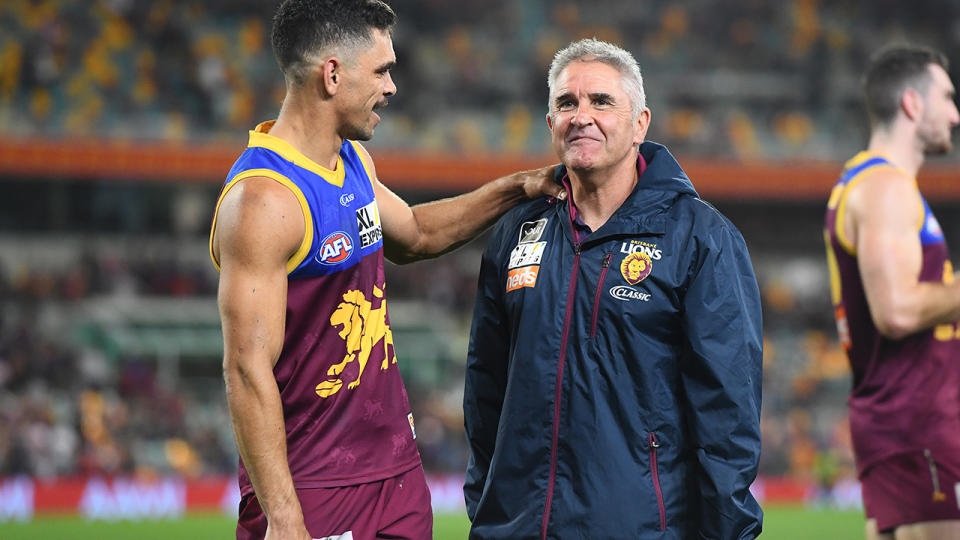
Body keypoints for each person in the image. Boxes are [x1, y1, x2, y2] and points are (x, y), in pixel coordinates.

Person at [208, 1, 563, 539]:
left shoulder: (350, 161)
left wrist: (516, 188)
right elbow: (246, 370)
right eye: (381, 70)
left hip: (394, 473)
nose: (393, 86)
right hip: (313, 486)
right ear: (332, 75)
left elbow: (417, 234)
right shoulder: (263, 201)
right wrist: (283, 517)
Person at [463, 38, 763, 539]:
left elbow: (727, 413)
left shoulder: (701, 238)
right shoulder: (516, 232)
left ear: (640, 123)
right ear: (551, 123)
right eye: (567, 103)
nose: (582, 116)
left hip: (638, 527)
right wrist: (488, 506)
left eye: (601, 101)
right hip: (517, 526)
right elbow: (485, 387)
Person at [824, 45, 960, 540]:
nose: (955, 113)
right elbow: (897, 310)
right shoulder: (885, 188)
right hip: (917, 424)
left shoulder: (870, 183)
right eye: (946, 97)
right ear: (912, 104)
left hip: (904, 423)